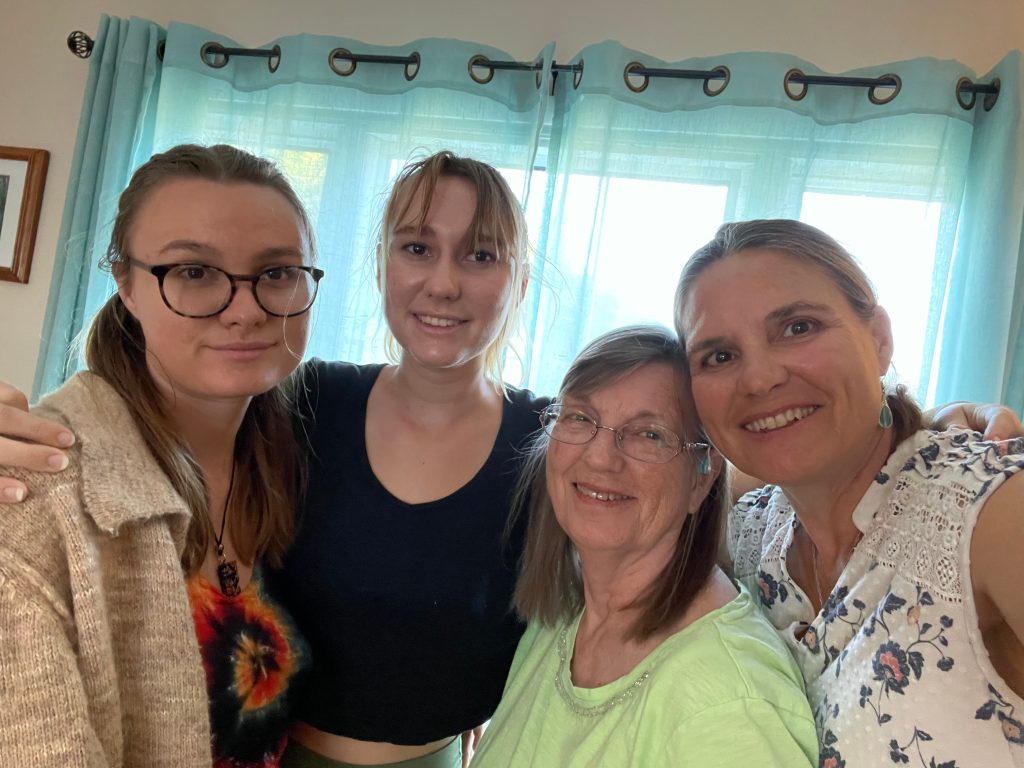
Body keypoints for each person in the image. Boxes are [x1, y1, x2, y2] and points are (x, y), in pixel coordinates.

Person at [0, 144, 320, 766]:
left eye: (278, 272)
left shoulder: (300, 446)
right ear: (125, 284)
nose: (246, 310)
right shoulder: (38, 499)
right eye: (194, 272)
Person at [675, 218, 1024, 767]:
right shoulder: (751, 530)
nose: (759, 379)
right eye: (718, 356)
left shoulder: (991, 508)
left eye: (798, 327)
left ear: (878, 339)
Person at [471, 325, 818, 766]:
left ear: (704, 477)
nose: (600, 457)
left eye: (649, 434)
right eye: (580, 417)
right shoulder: (564, 609)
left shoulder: (730, 710)